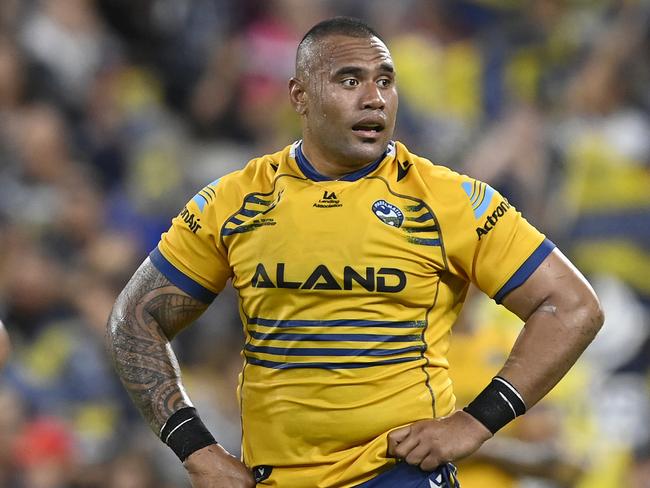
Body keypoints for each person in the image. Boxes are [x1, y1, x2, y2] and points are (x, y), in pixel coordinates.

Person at [106, 17, 604, 488]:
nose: (375, 99)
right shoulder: (235, 201)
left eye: (385, 81)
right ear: (299, 95)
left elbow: (573, 306)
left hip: (400, 475)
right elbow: (134, 319)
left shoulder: (448, 199)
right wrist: (196, 449)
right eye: (349, 81)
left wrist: (476, 422)